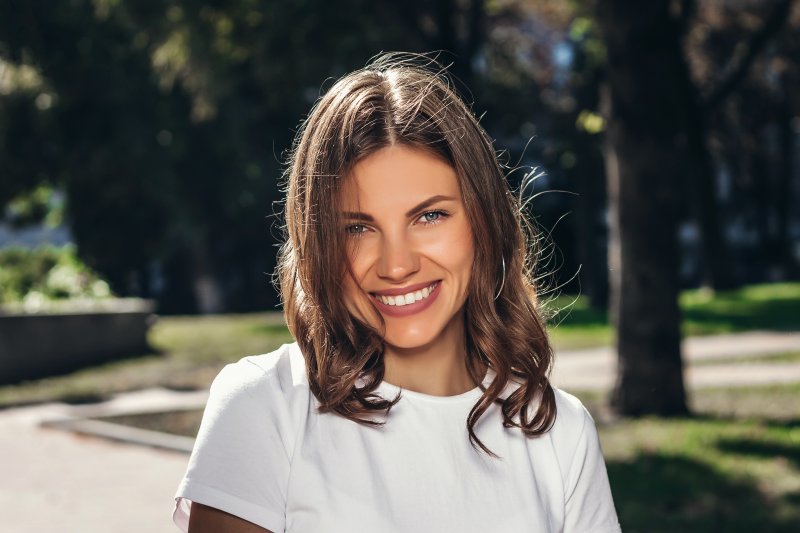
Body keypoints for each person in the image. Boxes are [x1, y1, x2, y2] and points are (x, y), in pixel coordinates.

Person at [173, 53, 621, 533]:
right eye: (357, 228)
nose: (397, 264)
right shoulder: (265, 406)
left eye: (429, 216)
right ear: (318, 245)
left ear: (484, 222)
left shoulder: (560, 432)